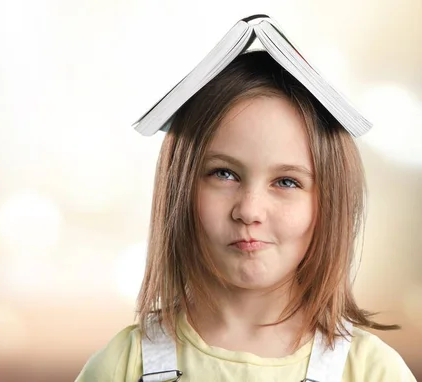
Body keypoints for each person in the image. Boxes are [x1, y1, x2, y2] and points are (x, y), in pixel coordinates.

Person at [75, 50, 417, 381]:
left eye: (286, 181)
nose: (249, 211)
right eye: (224, 174)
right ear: (179, 187)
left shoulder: (374, 372)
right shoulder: (120, 368)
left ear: (330, 202)